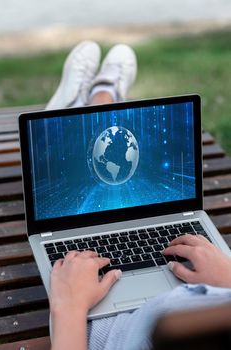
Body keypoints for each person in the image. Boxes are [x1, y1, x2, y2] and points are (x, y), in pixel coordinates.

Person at [46, 41, 231, 350]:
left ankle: (87, 103)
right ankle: (100, 97)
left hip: (97, 324)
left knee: (68, 260)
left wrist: (68, 308)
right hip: (210, 289)